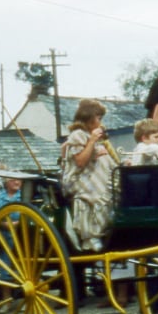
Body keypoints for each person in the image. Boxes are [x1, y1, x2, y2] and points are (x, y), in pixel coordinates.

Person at [60, 98, 119, 252]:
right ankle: (91, 236)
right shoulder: (78, 135)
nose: (100, 122)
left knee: (116, 178)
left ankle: (109, 226)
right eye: (99, 118)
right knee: (98, 188)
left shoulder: (95, 136)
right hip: (79, 178)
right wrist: (92, 141)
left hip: (94, 174)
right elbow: (80, 161)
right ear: (89, 117)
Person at [0, 177, 22, 312]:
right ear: (6, 183)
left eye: (19, 180)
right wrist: (3, 224)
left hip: (23, 237)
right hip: (4, 237)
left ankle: (25, 300)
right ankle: (6, 300)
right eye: (13, 180)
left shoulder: (24, 197)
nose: (17, 182)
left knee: (24, 268)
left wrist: (19, 223)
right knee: (4, 268)